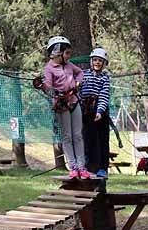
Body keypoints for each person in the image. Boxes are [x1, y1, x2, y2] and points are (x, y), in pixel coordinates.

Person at [42, 36, 88, 178]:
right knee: (67, 136)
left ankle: (82, 167)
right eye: (67, 53)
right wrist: (44, 87)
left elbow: (80, 73)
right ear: (57, 52)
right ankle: (73, 167)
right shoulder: (49, 68)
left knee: (78, 135)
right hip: (62, 105)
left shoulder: (69, 65)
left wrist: (78, 83)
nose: (69, 56)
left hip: (74, 102)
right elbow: (48, 86)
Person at [80, 47, 112, 178]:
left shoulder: (105, 78)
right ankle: (87, 163)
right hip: (86, 111)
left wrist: (100, 111)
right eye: (95, 60)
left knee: (103, 140)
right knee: (88, 138)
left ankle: (103, 167)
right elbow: (79, 91)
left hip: (100, 111)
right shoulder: (83, 74)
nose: (97, 63)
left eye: (100, 61)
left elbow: (104, 95)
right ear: (91, 61)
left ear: (104, 63)